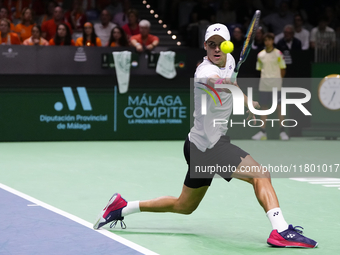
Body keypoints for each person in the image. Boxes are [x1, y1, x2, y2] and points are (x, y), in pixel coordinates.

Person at [93, 24, 318, 249]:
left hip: (197, 145)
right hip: (210, 147)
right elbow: (216, 81)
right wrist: (228, 85)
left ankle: (122, 207)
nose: (216, 49)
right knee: (260, 174)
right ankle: (281, 230)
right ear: (205, 46)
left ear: (228, 46)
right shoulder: (204, 71)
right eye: (212, 44)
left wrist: (248, 103)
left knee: (184, 206)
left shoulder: (230, 61)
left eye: (221, 44)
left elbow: (233, 82)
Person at [252, 33, 288, 141]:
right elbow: (260, 70)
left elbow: (283, 69)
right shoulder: (260, 55)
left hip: (276, 85)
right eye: (265, 40)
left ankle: (282, 132)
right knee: (264, 108)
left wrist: (278, 81)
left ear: (273, 41)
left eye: (269, 40)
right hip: (264, 85)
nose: (267, 42)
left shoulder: (278, 54)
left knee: (279, 107)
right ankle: (262, 132)